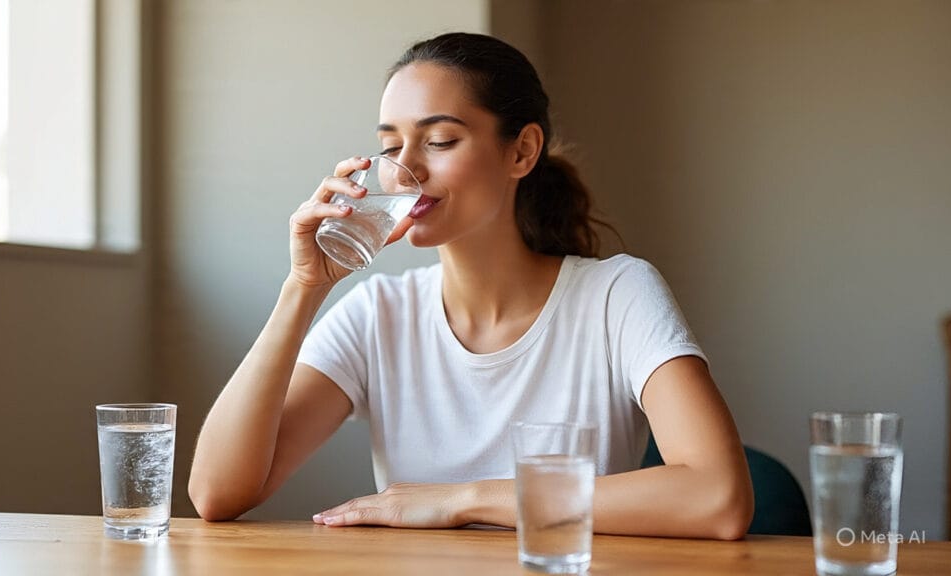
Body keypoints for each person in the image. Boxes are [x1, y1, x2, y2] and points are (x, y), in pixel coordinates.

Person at [188, 32, 754, 539]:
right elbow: (217, 493)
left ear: (522, 151)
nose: (405, 169)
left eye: (438, 141)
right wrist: (303, 288)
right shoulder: (377, 313)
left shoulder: (617, 296)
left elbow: (718, 496)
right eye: (390, 147)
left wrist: (461, 500)